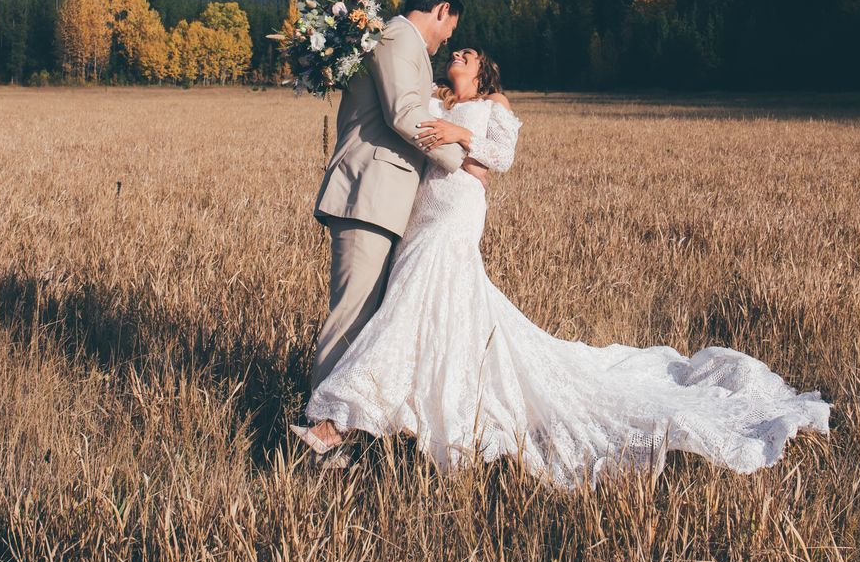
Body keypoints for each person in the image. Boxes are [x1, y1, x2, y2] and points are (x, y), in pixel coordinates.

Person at [299, 47, 831, 487]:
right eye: (456, 50)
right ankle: (394, 410)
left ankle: (339, 422)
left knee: (412, 300)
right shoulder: (433, 100)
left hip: (458, 208)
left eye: (468, 53)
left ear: (482, 70)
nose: (458, 53)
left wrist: (460, 136)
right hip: (423, 209)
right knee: (425, 305)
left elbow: (502, 158)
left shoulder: (492, 103)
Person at [298, 0, 467, 458]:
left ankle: (340, 432)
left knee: (367, 321)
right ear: (440, 10)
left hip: (383, 201)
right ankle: (319, 438)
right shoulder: (397, 38)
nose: (446, 42)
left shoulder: (401, 43)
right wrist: (461, 154)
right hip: (367, 195)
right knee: (350, 320)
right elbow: (402, 113)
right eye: (449, 28)